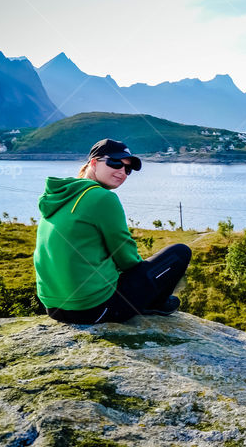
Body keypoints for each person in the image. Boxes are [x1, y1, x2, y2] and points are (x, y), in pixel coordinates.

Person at [34, 138, 191, 324]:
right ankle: (155, 304)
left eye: (127, 169)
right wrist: (145, 284)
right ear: (93, 162)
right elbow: (127, 260)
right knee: (180, 253)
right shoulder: (103, 198)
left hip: (53, 308)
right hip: (94, 309)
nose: (122, 172)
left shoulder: (59, 196)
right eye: (115, 163)